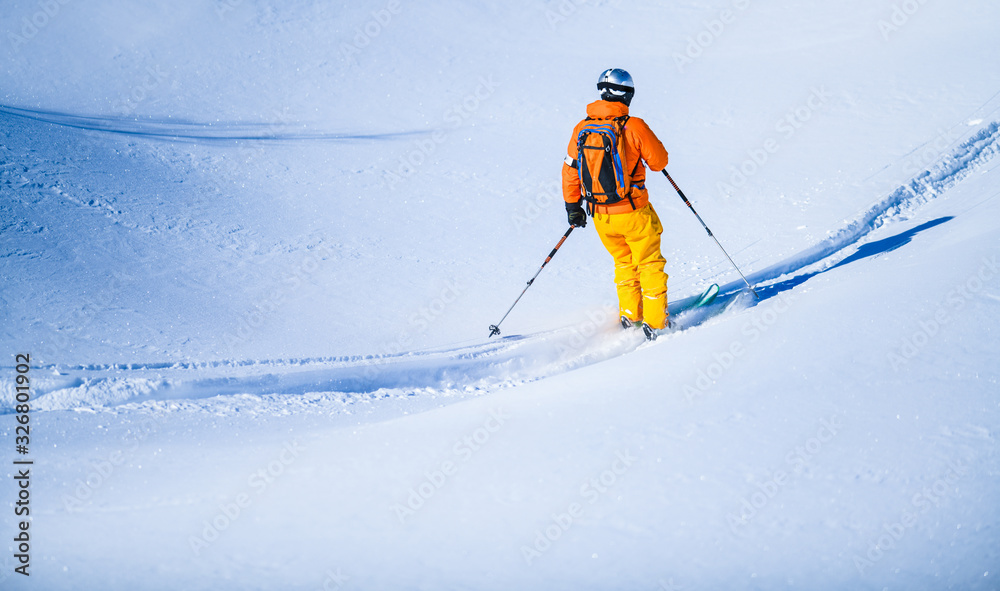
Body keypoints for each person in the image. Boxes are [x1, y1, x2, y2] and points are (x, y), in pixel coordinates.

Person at [561, 68, 671, 340]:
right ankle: (657, 324)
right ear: (628, 95)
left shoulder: (582, 128)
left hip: (600, 215)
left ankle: (630, 315)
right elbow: (659, 162)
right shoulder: (634, 126)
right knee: (649, 264)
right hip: (633, 212)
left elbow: (570, 170)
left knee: (623, 262)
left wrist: (572, 207)